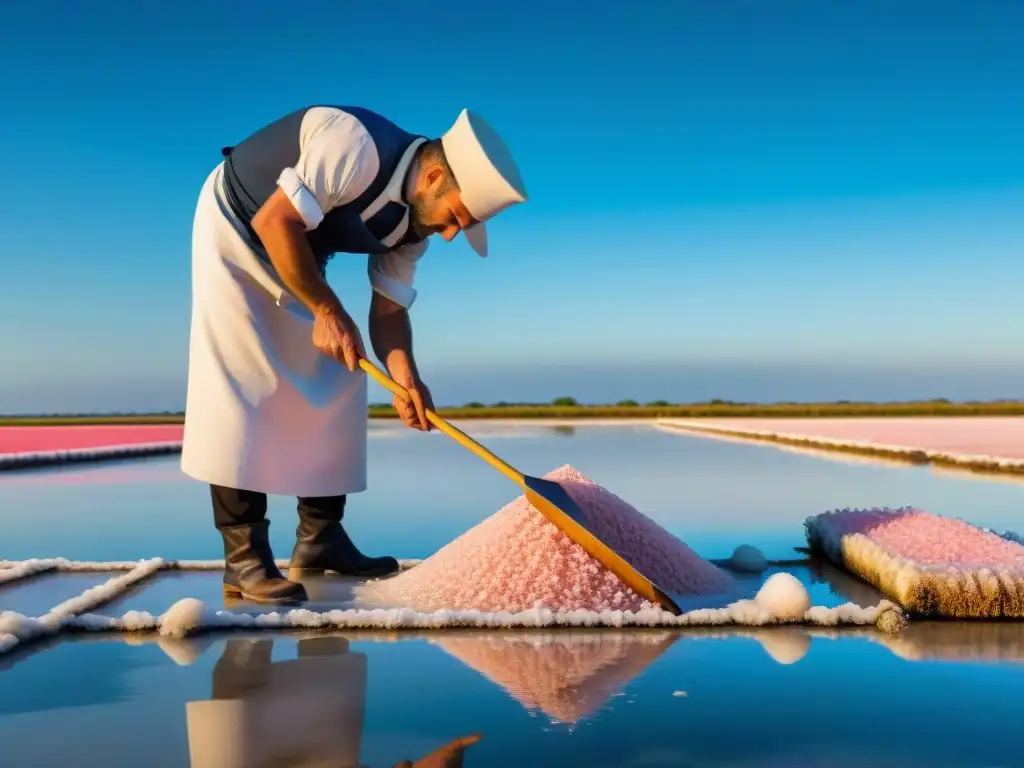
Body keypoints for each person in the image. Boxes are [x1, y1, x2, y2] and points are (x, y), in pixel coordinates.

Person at [179, 105, 528, 604]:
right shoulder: (354, 146)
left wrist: (406, 377)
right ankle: (244, 559)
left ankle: (320, 539)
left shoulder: (415, 229)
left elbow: (387, 314)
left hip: (297, 246)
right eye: (455, 217)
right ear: (432, 176)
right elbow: (276, 220)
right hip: (238, 222)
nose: (450, 234)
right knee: (240, 377)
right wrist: (325, 307)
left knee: (341, 371)